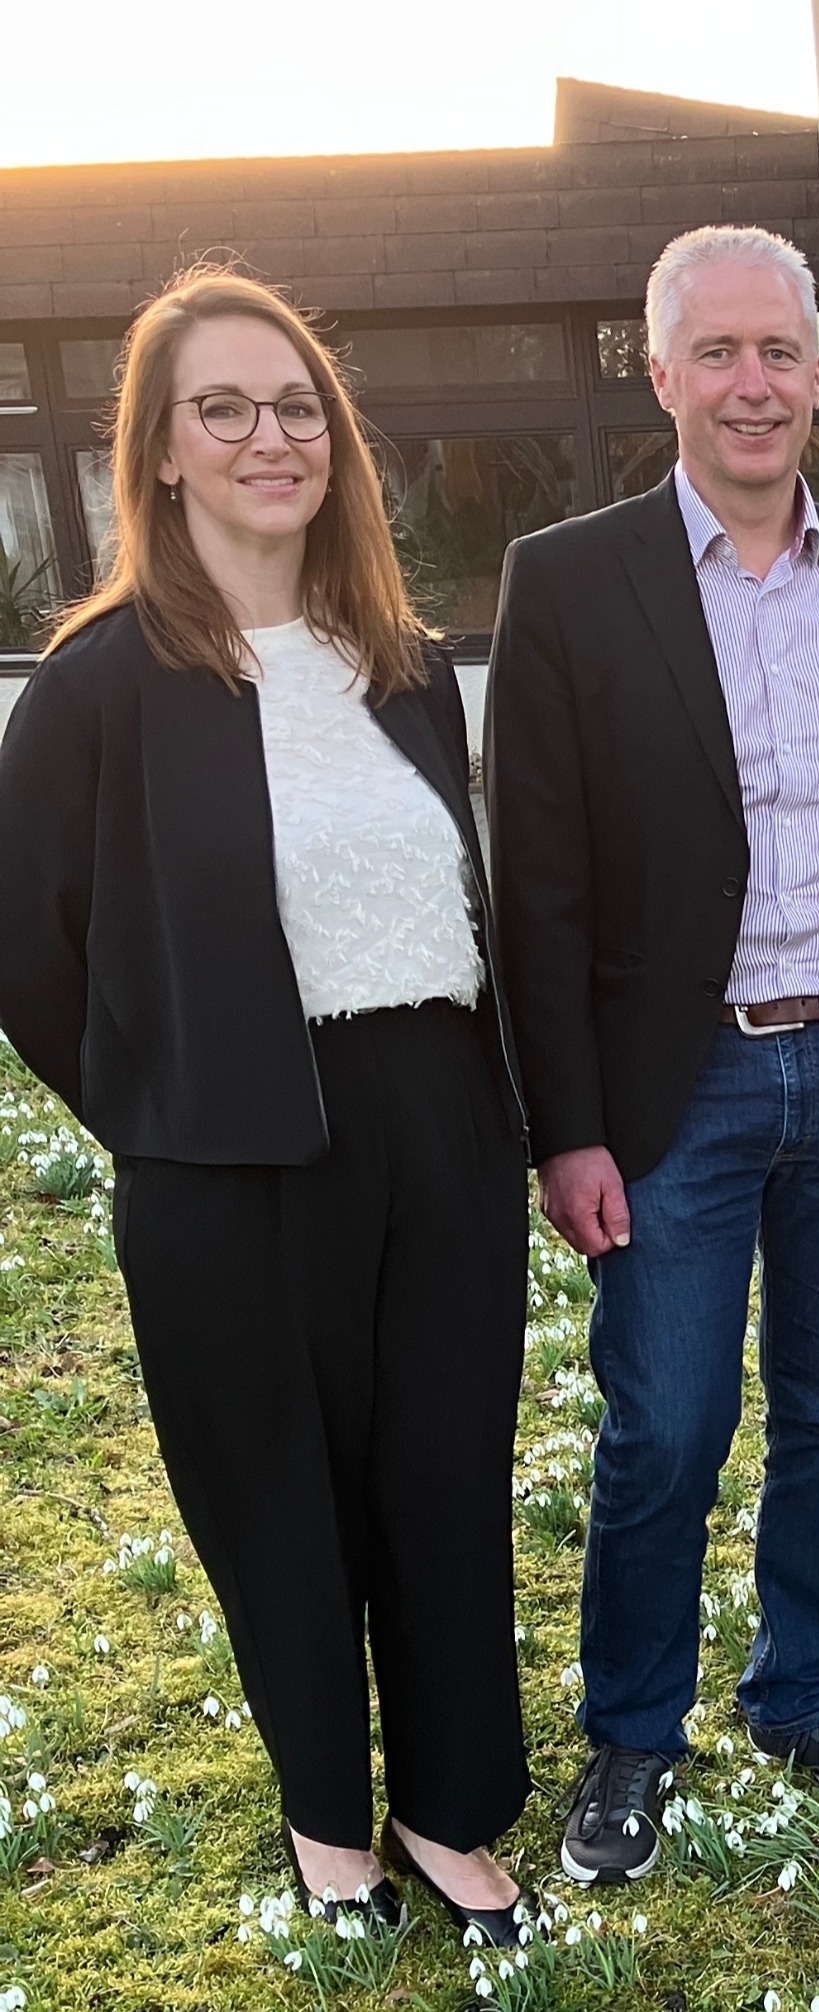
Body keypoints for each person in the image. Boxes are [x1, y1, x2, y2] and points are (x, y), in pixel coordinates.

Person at [0, 269, 533, 1942]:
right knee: (276, 1498)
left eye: (296, 404)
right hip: (224, 1159)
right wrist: (160, 1109)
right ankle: (328, 1825)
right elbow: (28, 949)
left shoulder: (403, 661)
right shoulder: (96, 687)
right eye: (221, 408)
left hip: (438, 1115)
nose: (268, 437)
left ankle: (451, 1811)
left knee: (445, 1478)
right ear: (155, 452)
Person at [486, 226, 819, 1880]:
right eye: (714, 353)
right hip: (676, 1087)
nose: (751, 384)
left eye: (778, 352)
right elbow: (542, 889)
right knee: (664, 1424)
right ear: (658, 377)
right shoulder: (569, 584)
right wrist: (563, 1126)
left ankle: (802, 1692)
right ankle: (632, 1739)